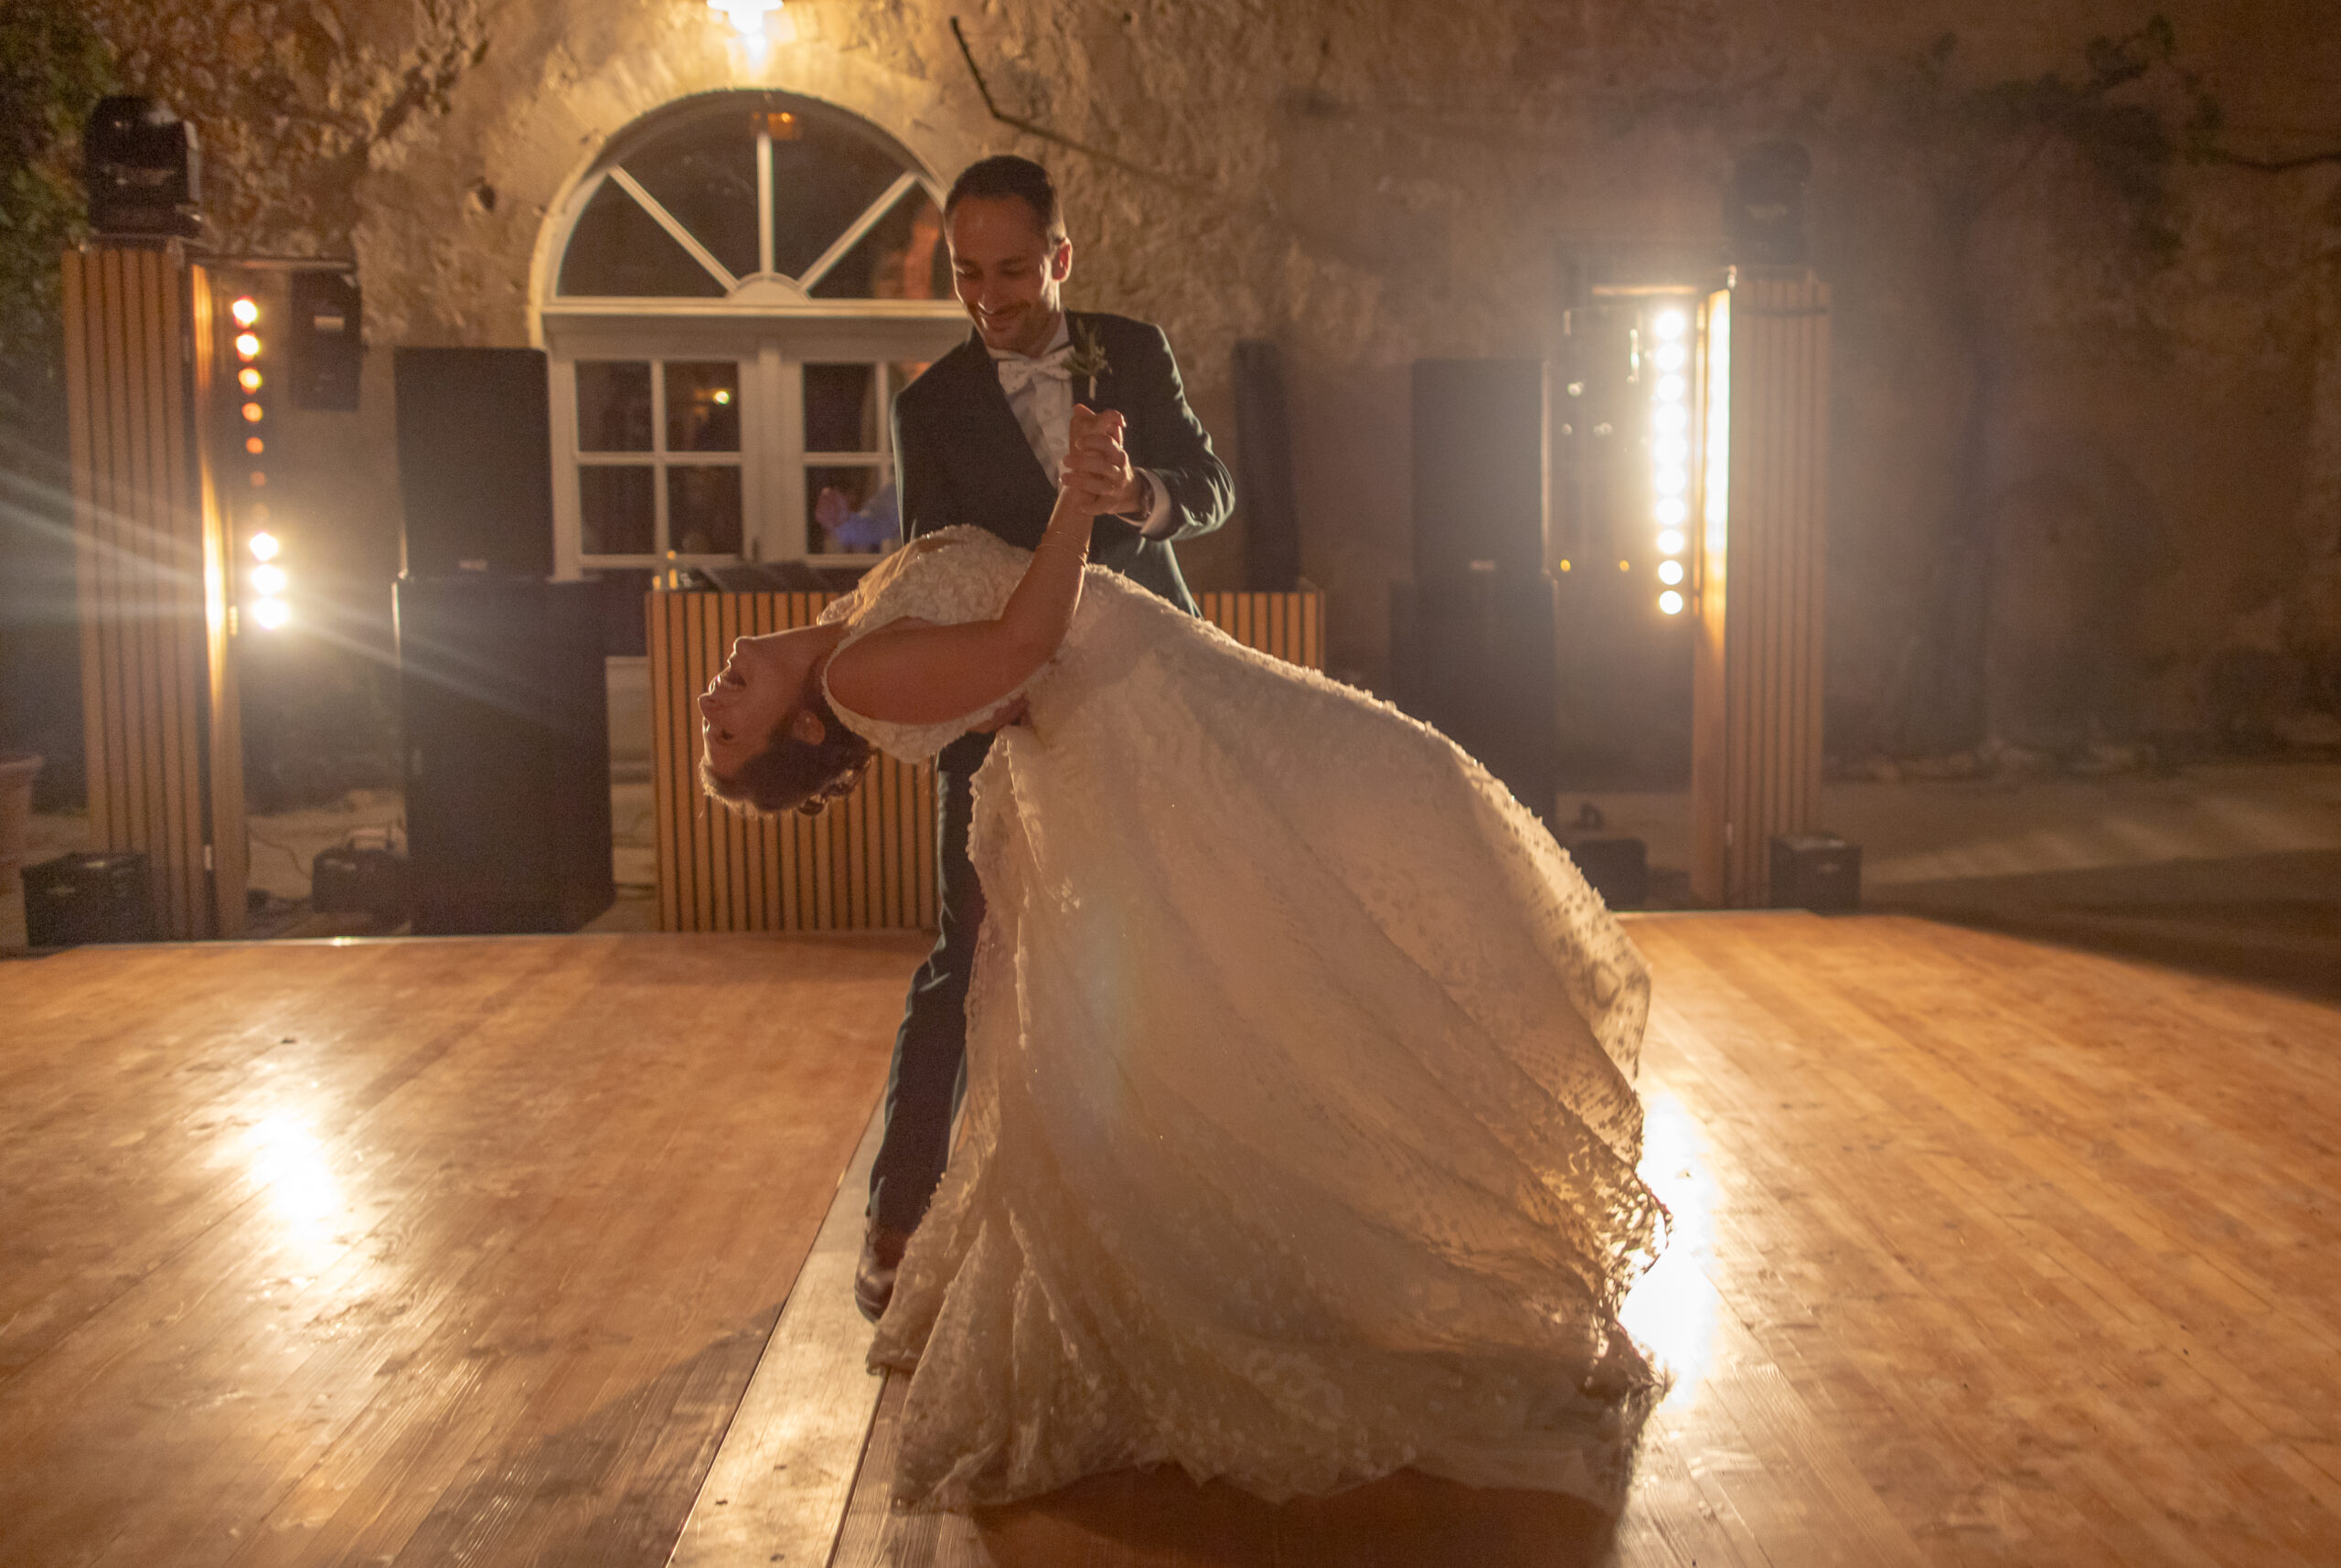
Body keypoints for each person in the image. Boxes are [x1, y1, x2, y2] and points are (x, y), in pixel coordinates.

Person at [697, 410, 1667, 1514]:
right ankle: (1373, 1200)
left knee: (1381, 826)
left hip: (1168, 683)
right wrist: (1074, 492)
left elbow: (998, 663)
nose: (707, 706)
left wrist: (1103, 492)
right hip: (1140, 726)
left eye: (712, 722)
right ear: (808, 734)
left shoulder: (846, 629)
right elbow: (1018, 644)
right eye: (729, 734)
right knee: (1348, 869)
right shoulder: (860, 678)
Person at [855, 155, 1233, 1323]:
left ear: (1060, 258)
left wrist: (1137, 496)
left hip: (1147, 696)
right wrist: (990, 687)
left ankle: (1160, 1217)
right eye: (968, 274)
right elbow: (931, 569)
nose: (989, 297)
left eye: (1013, 269)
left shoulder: (1136, 347)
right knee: (963, 953)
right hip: (1004, 711)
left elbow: (1211, 489)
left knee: (1168, 947)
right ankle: (899, 1213)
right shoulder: (929, 405)